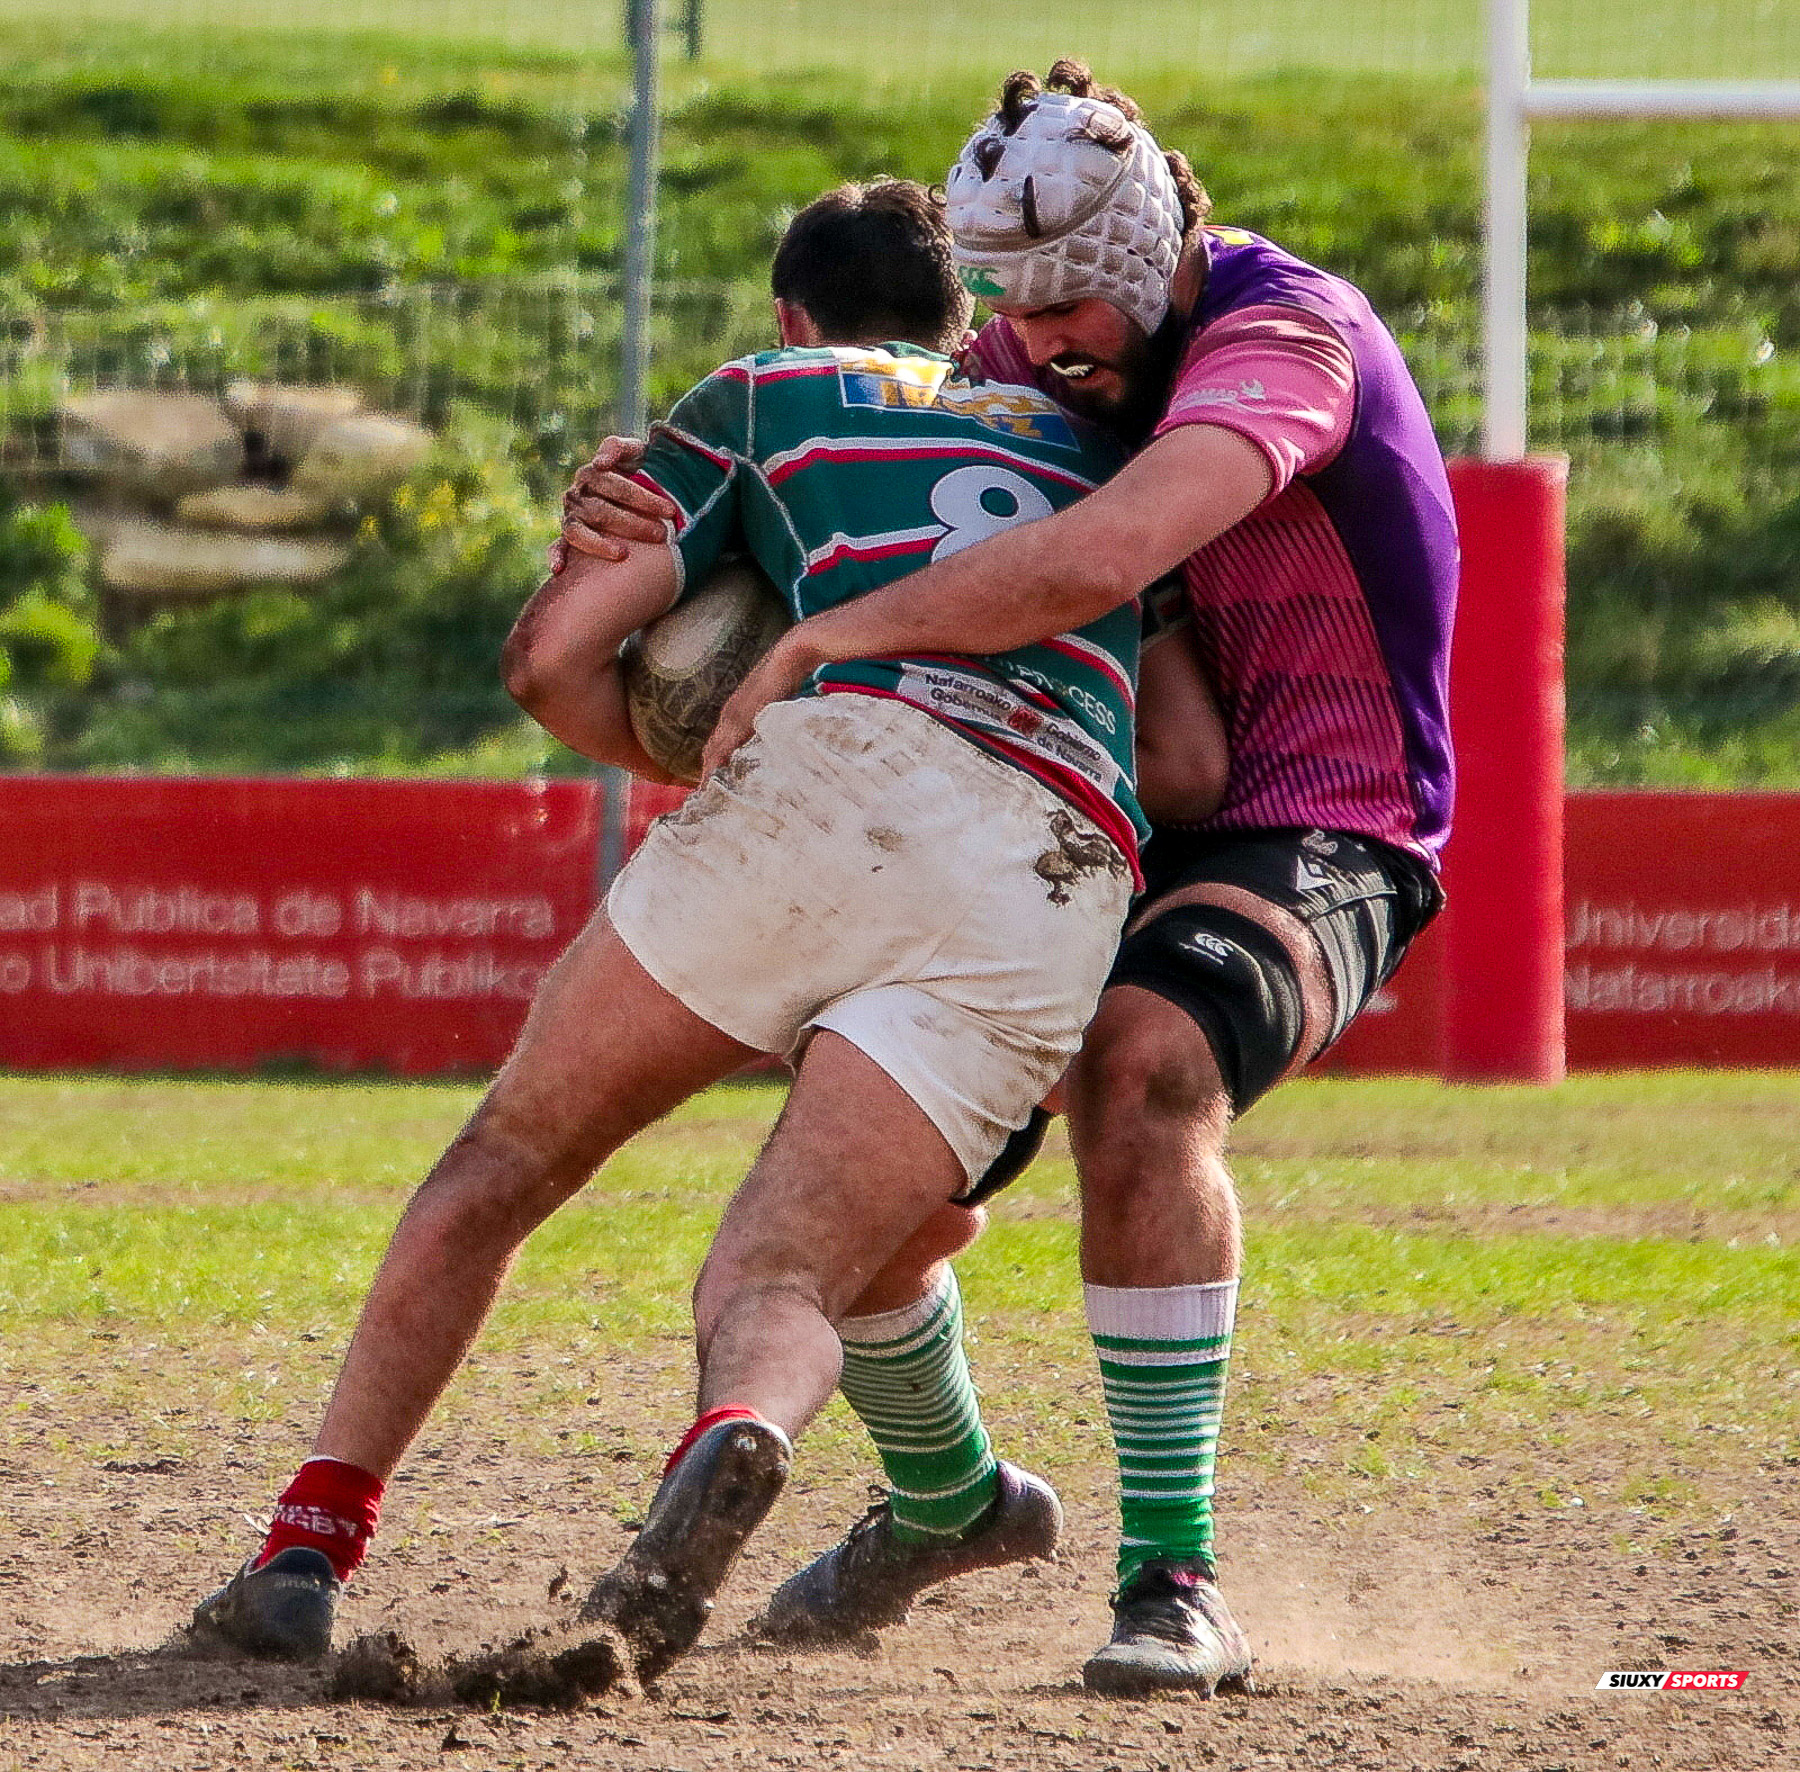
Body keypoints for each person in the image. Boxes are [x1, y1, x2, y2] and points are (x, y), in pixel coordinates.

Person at [563, 62, 1456, 1699]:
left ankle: (1173, 1575)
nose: (1041, 339)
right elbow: (824, 484)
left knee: (1147, 1059)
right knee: (875, 1158)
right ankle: (955, 1499)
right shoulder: (1003, 363)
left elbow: (1104, 555)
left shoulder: (1285, 337)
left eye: (1074, 300)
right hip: (1072, 811)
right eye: (1015, 301)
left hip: (1318, 815)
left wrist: (834, 634)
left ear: (1156, 246)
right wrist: (645, 499)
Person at [187, 179, 1152, 1686]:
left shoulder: (766, 392)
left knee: (506, 1162)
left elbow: (549, 657)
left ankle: (304, 1555)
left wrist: (692, 739)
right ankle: (738, 1434)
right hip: (1060, 858)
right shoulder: (1103, 454)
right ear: (971, 326)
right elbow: (1198, 762)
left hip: (839, 772)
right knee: (780, 1273)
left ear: (790, 313)